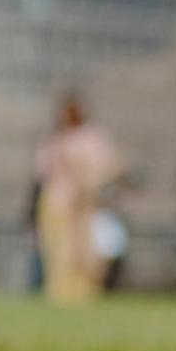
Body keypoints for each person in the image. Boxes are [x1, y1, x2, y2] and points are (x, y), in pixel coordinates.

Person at [34, 95, 120, 302]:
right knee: (59, 250)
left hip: (83, 203)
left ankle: (83, 290)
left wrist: (87, 188)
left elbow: (105, 168)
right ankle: (60, 290)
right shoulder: (57, 139)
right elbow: (43, 169)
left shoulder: (91, 139)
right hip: (58, 202)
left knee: (83, 250)